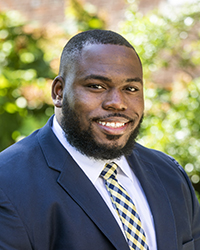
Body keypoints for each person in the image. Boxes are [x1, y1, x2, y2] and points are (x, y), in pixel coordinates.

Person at [0, 29, 199, 250]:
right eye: (97, 86)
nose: (117, 103)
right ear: (59, 92)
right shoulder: (7, 184)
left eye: (131, 89)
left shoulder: (170, 175)